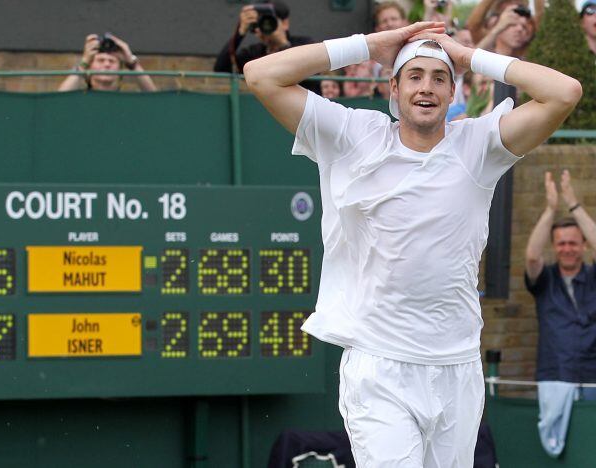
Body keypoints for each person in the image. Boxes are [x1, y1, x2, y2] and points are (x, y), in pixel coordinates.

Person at [244, 17, 581, 466]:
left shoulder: (479, 146)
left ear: (453, 92)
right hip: (379, 366)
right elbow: (260, 75)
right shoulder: (352, 135)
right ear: (394, 89)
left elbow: (565, 92)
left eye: (440, 78)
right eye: (415, 76)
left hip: (458, 368)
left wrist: (469, 56)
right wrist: (366, 44)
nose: (427, 88)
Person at [525, 170, 596, 399]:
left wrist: (573, 203)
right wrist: (551, 209)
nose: (567, 249)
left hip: (592, 376)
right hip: (554, 374)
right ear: (554, 246)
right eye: (561, 243)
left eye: (573, 243)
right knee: (555, 437)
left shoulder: (592, 276)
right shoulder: (545, 280)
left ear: (584, 245)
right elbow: (532, 257)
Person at [213, 1, 313, 74]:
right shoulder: (253, 53)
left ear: (285, 23)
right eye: (262, 22)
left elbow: (311, 72)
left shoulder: (304, 44)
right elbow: (221, 68)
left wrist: (282, 44)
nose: (266, 26)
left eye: (270, 21)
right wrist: (240, 33)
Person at [58, 33, 157, 92]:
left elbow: (155, 99)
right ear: (89, 67)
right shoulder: (80, 97)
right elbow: (58, 101)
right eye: (100, 60)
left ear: (119, 69)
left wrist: (132, 64)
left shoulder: (128, 99)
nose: (107, 64)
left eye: (112, 61)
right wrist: (83, 64)